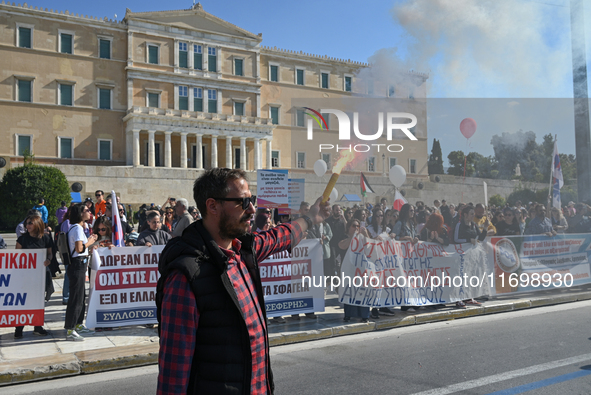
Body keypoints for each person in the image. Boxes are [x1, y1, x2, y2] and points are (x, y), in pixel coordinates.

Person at [156, 168, 330, 394]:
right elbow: (173, 375)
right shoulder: (186, 277)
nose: (252, 209)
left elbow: (278, 238)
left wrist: (309, 219)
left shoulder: (243, 249)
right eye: (243, 202)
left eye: (252, 200)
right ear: (212, 206)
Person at [14, 214, 52, 338]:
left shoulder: (45, 238)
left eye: (30, 223)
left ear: (37, 224)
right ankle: (19, 328)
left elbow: (50, 254)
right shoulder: (22, 239)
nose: (27, 225)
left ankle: (37, 326)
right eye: (27, 223)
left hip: (41, 276)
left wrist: (48, 260)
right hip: (25, 276)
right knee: (23, 301)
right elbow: (16, 258)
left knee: (38, 302)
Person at [64, 203, 98, 341]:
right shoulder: (77, 228)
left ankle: (78, 324)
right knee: (76, 298)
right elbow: (79, 248)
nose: (89, 212)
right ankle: (70, 328)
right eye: (86, 210)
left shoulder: (77, 228)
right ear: (80, 214)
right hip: (77, 265)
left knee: (80, 296)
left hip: (80, 264)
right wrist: (90, 241)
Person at [338, 219, 371, 323]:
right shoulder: (344, 237)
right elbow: (342, 246)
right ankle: (349, 314)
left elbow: (370, 248)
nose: (356, 228)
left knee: (362, 291)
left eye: (358, 226)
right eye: (353, 226)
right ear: (348, 228)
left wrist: (365, 235)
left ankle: (364, 315)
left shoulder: (362, 237)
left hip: (361, 271)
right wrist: (352, 237)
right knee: (349, 292)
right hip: (349, 271)